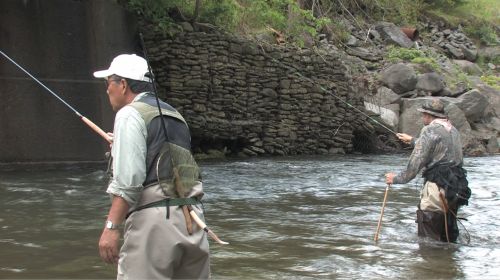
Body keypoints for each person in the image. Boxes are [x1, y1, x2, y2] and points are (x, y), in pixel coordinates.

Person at [94, 54, 210, 279]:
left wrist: (111, 227)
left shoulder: (129, 114)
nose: (107, 89)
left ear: (123, 84)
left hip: (154, 225)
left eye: (108, 82)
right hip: (194, 221)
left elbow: (129, 183)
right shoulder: (174, 114)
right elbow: (166, 160)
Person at [385, 99, 470, 243]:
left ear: (427, 115)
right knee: (447, 237)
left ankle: (431, 262)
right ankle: (447, 263)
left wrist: (396, 179)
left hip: (437, 187)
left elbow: (415, 165)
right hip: (456, 188)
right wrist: (412, 140)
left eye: (423, 114)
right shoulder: (453, 130)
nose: (422, 117)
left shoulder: (429, 130)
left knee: (429, 240)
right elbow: (440, 148)